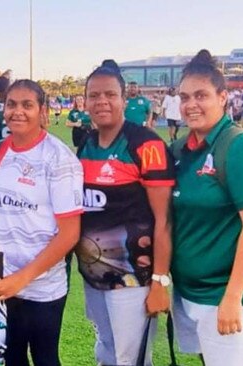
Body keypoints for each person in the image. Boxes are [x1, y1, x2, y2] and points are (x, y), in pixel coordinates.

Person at [170, 50, 243, 365]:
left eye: (201, 95)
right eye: (185, 96)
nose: (191, 104)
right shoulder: (181, 150)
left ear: (223, 97)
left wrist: (232, 297)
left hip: (236, 297)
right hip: (193, 293)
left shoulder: (240, 148)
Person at [75, 60, 174, 366]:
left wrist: (159, 280)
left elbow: (165, 220)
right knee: (106, 351)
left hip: (134, 278)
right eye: (94, 95)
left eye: (109, 95)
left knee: (130, 359)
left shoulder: (146, 144)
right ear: (85, 101)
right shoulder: (87, 145)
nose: (101, 101)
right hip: (94, 278)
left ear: (123, 99)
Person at [0, 79, 83, 365]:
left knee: (45, 358)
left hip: (42, 286)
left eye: (27, 105)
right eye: (12, 104)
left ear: (42, 111)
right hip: (1, 278)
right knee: (9, 358)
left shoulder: (58, 158)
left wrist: (21, 279)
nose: (18, 111)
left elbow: (70, 233)